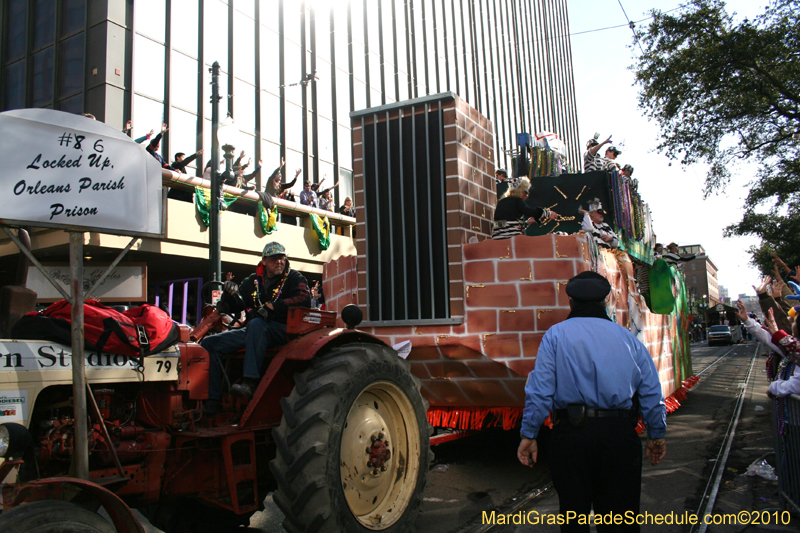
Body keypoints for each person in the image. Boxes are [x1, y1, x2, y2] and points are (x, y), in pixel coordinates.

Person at [517, 271, 667, 532]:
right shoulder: (628, 339)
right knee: (620, 522)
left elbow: (540, 391)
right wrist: (656, 435)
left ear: (570, 303)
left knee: (574, 520)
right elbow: (652, 392)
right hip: (619, 438)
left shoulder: (555, 336)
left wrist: (529, 434)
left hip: (571, 438)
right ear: (606, 301)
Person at [200, 242, 311, 413]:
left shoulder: (295, 278)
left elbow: (304, 298)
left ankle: (250, 382)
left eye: (282, 258)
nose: (279, 262)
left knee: (257, 324)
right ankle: (213, 400)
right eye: (275, 259)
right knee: (209, 343)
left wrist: (275, 307)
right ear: (264, 261)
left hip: (283, 330)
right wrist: (229, 293)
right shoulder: (251, 281)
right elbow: (235, 306)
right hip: (255, 330)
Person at [492, 178, 559, 240]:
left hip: (497, 238)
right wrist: (547, 213)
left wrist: (526, 223)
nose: (527, 193)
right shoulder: (517, 201)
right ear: (520, 190)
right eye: (526, 191)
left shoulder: (501, 202)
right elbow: (530, 211)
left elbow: (505, 223)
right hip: (511, 238)